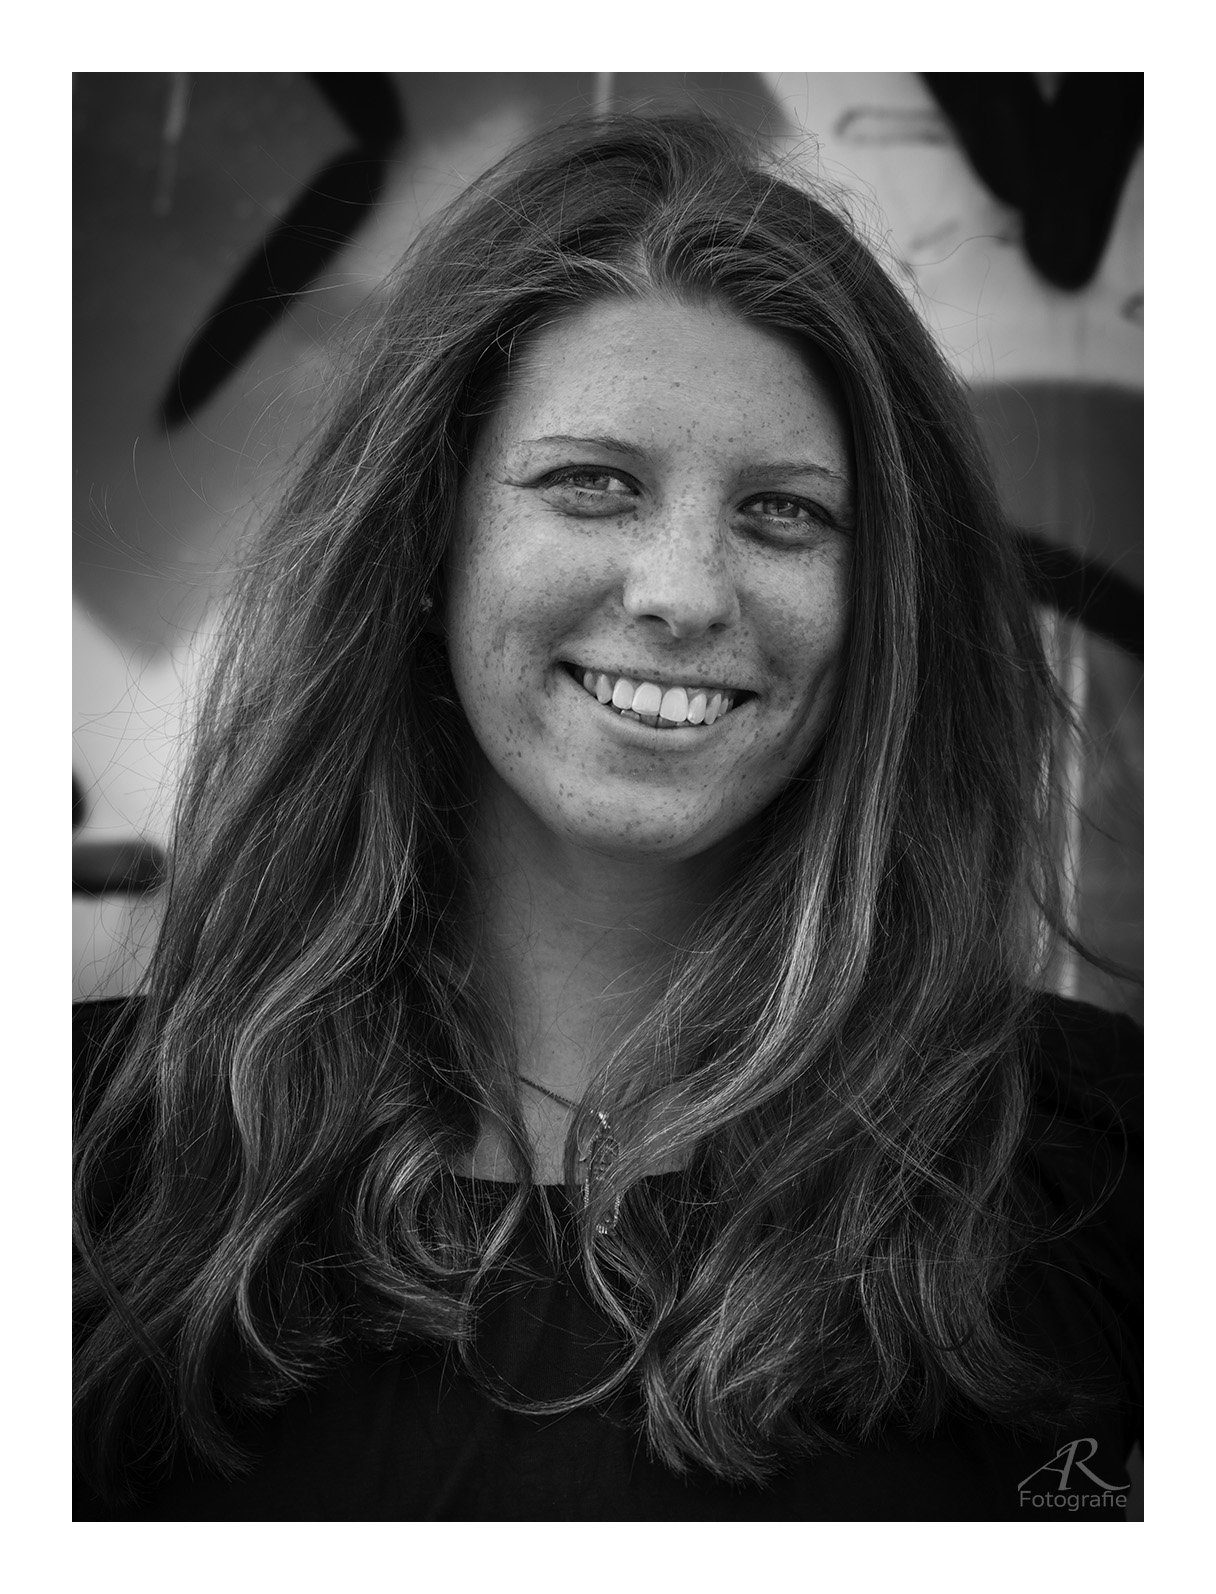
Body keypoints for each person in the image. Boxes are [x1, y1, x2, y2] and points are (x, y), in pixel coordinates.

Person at [73, 111, 1141, 1521]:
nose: (683, 592)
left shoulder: (1114, 1168)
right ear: (429, 540)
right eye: (592, 485)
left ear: (881, 597)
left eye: (784, 513)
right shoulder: (94, 1149)